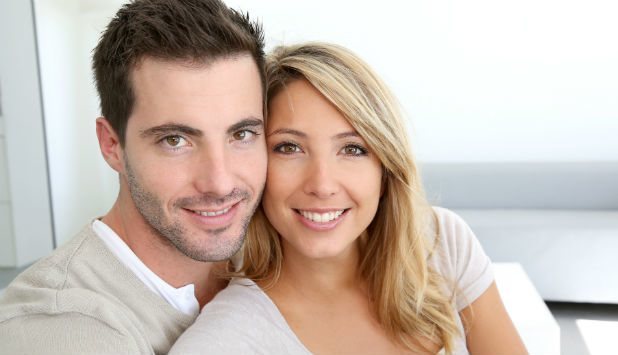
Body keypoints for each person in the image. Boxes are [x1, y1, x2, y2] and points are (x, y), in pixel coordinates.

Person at [170, 43, 526, 354]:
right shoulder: (222, 342)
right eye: (289, 148)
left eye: (353, 149)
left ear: (385, 169)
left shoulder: (442, 243)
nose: (322, 184)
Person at [0, 0, 267, 353]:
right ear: (112, 145)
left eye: (242, 134)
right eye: (175, 140)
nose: (219, 183)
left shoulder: (264, 257)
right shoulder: (59, 328)